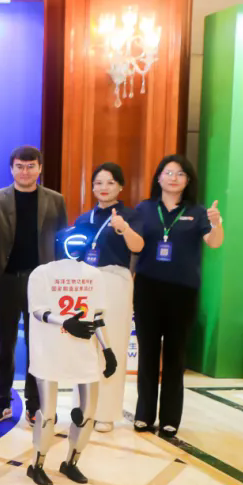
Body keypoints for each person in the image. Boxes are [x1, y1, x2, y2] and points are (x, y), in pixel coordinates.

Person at [132, 154, 223, 438]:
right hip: (147, 288)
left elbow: (214, 243)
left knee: (175, 353)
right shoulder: (145, 208)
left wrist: (217, 224)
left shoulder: (198, 212)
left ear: (188, 181)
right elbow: (135, 244)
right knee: (147, 352)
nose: (173, 178)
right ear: (158, 177)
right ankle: (144, 414)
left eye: (180, 173)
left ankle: (170, 418)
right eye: (168, 172)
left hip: (183, 291)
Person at [0, 146, 68, 425]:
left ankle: (34, 405)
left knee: (37, 345)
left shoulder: (55, 199)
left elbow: (61, 240)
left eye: (30, 166)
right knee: (4, 345)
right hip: (6, 280)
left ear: (39, 168)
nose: (25, 171)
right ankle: (1, 402)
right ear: (12, 169)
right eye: (19, 166)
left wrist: (60, 278)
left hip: (41, 282)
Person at [25, 255, 117, 485]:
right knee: (47, 415)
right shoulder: (41, 273)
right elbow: (37, 311)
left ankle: (71, 462)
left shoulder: (94, 275)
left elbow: (97, 317)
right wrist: (64, 322)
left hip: (83, 352)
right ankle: (36, 465)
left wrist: (107, 350)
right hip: (49, 350)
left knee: (87, 413)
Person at [73, 162, 145, 432]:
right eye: (98, 183)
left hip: (115, 280)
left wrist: (123, 228)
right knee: (84, 345)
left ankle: (106, 413)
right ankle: (84, 408)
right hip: (85, 281)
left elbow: (138, 246)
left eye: (110, 182)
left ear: (120, 186)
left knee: (110, 345)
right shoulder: (84, 218)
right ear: (92, 187)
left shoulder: (130, 215)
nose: (103, 188)